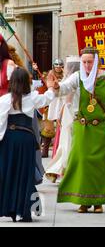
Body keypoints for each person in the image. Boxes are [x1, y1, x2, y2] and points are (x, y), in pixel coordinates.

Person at [55, 46, 105, 213]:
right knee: (83, 163)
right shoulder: (77, 77)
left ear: (96, 62)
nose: (87, 66)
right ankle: (83, 200)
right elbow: (64, 88)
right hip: (82, 127)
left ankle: (98, 202)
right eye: (84, 62)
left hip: (102, 128)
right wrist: (55, 86)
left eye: (90, 62)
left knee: (98, 164)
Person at [0, 67, 55, 222]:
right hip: (26, 140)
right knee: (25, 174)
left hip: (9, 140)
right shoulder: (33, 98)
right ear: (26, 82)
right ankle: (24, 210)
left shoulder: (5, 100)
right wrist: (50, 85)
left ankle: (11, 208)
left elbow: (0, 122)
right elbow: (49, 97)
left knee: (9, 172)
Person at [45, 56, 80, 183]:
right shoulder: (73, 79)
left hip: (71, 114)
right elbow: (67, 101)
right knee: (67, 143)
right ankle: (63, 171)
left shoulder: (73, 79)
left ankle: (61, 170)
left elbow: (68, 101)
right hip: (70, 114)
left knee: (67, 143)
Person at [40, 58, 65, 158]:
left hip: (62, 101)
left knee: (63, 126)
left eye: (60, 65)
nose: (58, 67)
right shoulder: (50, 74)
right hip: (51, 101)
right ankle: (45, 151)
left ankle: (59, 150)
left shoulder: (66, 74)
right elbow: (48, 86)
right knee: (48, 128)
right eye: (56, 65)